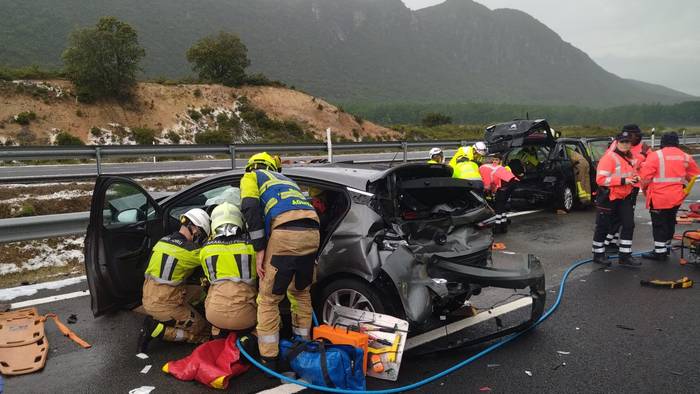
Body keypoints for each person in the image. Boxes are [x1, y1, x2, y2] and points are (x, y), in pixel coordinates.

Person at [239, 152, 320, 371]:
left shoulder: (251, 177)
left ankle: (269, 359)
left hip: (284, 233)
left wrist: (259, 249)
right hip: (312, 231)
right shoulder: (287, 181)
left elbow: (249, 207)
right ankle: (303, 349)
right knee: (301, 292)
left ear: (252, 166)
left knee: (268, 299)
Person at [138, 208, 212, 352]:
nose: (200, 237)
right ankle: (156, 329)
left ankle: (180, 314)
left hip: (151, 294)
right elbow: (212, 256)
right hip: (164, 304)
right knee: (203, 330)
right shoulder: (189, 251)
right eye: (201, 234)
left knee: (200, 290)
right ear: (195, 229)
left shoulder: (163, 241)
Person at [639, 132, 700, 261]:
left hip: (658, 198)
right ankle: (665, 248)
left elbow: (645, 178)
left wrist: (644, 189)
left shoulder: (655, 156)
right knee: (669, 222)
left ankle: (659, 252)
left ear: (662, 143)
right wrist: (685, 189)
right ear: (677, 143)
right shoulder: (685, 157)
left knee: (659, 225)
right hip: (676, 198)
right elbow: (695, 176)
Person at [199, 202, 258, 333]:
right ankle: (252, 339)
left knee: (212, 288)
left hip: (214, 317)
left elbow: (209, 278)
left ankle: (217, 336)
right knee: (269, 307)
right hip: (247, 318)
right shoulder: (253, 247)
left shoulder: (205, 250)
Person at [591, 131, 642, 267]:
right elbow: (601, 179)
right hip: (609, 197)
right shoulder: (609, 158)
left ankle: (625, 256)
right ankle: (598, 254)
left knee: (629, 224)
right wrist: (624, 180)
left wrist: (636, 178)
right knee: (603, 227)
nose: (625, 144)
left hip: (624, 197)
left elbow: (632, 174)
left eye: (628, 142)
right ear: (617, 143)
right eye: (622, 142)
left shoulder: (629, 158)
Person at [604, 124, 652, 252]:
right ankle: (608, 242)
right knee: (621, 218)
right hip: (619, 186)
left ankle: (611, 242)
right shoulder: (619, 145)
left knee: (621, 218)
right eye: (634, 135)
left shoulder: (640, 146)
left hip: (631, 186)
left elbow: (648, 165)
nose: (636, 138)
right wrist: (642, 155)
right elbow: (631, 162)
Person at [480, 153, 519, 233]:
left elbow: (488, 186)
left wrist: (485, 190)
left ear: (500, 161)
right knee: (502, 206)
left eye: (496, 160)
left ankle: (497, 227)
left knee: (499, 205)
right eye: (493, 159)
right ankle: (503, 226)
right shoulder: (496, 167)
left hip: (506, 185)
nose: (494, 161)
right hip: (512, 184)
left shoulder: (483, 169)